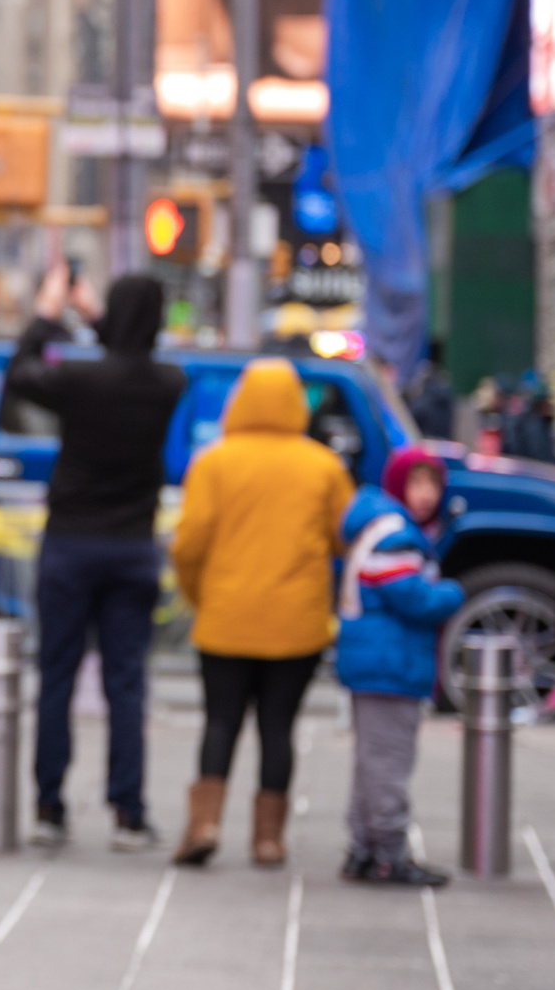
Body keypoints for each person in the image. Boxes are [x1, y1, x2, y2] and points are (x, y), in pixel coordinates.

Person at [7, 265, 186, 849]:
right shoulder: (168, 383)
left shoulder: (79, 380)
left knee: (56, 675)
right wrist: (98, 317)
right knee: (125, 684)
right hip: (132, 548)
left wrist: (46, 312)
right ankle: (128, 811)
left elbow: (22, 373)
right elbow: (129, 351)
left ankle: (49, 806)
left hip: (70, 544)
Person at [168, 359, 352, 868]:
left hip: (225, 616)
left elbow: (189, 546)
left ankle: (204, 823)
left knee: (220, 722)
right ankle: (268, 839)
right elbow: (344, 536)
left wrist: (199, 595)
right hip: (297, 624)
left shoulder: (213, 462)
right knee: (278, 726)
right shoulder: (323, 467)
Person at [332, 447, 463, 888]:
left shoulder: (378, 525)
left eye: (434, 485)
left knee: (371, 761)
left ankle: (364, 849)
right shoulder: (397, 536)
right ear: (397, 484)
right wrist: (451, 593)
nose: (426, 495)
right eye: (417, 483)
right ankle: (389, 853)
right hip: (390, 665)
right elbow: (413, 598)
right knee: (388, 761)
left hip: (378, 662)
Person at [405, 342, 456, 442]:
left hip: (426, 440)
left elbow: (414, 416)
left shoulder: (427, 396)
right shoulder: (446, 395)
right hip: (444, 441)